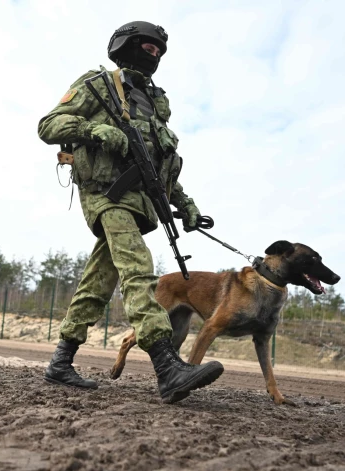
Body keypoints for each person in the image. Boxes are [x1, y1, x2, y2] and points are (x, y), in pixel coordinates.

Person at [37, 21, 224, 404]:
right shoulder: (99, 84)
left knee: (97, 284)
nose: (153, 53)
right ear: (125, 45)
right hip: (106, 194)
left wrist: (185, 205)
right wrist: (96, 131)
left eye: (158, 50)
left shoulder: (155, 104)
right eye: (146, 46)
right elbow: (49, 125)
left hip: (138, 203)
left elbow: (159, 166)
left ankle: (61, 361)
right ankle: (167, 367)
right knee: (139, 270)